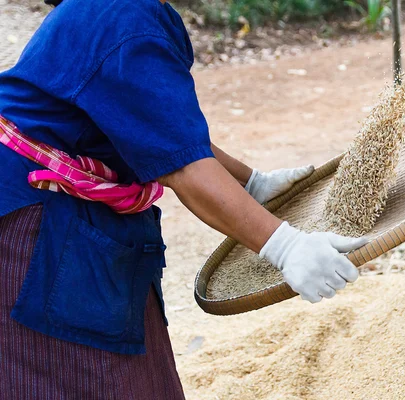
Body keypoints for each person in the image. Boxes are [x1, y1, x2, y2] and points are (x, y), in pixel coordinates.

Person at [0, 0, 367, 398]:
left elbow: (158, 125)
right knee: (80, 375)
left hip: (60, 210)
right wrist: (285, 246)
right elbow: (184, 169)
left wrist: (252, 182)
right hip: (36, 219)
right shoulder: (127, 17)